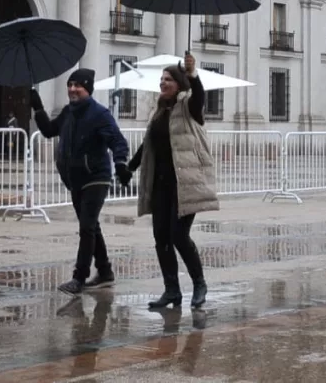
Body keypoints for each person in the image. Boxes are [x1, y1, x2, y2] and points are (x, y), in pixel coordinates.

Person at [119, 52, 219, 309]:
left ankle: (199, 283)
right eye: (161, 79)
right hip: (160, 184)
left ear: (179, 84)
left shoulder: (189, 107)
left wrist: (193, 73)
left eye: (168, 80)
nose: (162, 83)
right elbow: (148, 144)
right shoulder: (159, 110)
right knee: (161, 237)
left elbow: (199, 96)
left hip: (184, 184)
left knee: (179, 235)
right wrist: (130, 167)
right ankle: (171, 290)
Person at [29, 69, 131, 295]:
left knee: (86, 226)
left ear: (88, 89)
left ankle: (79, 277)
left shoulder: (99, 114)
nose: (73, 89)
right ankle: (105, 271)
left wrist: (121, 163)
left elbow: (117, 140)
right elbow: (48, 131)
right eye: (70, 84)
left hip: (96, 177)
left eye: (79, 86)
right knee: (92, 226)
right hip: (74, 179)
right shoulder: (68, 112)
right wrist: (37, 107)